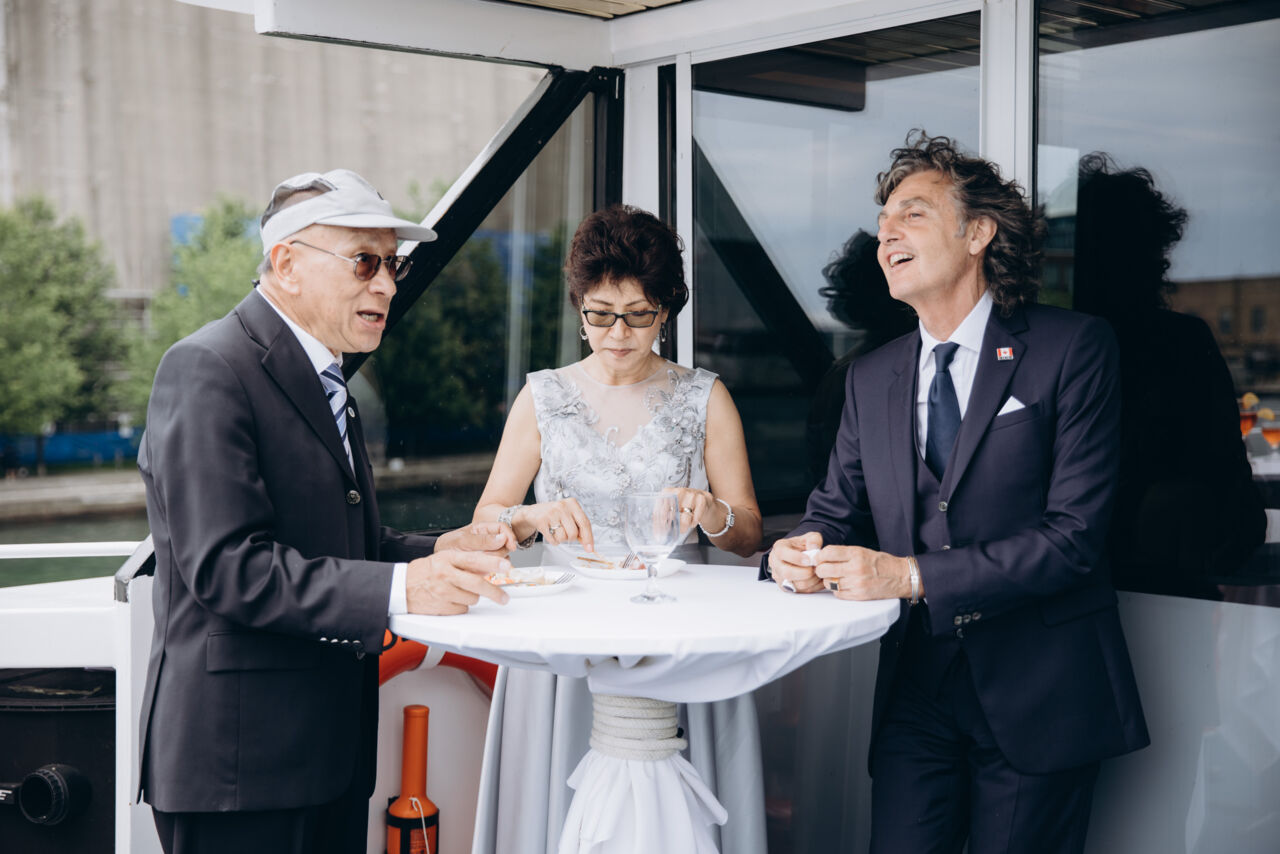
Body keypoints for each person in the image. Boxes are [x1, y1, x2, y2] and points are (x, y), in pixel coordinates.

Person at [766, 132, 1149, 853]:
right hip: (916, 689)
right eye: (883, 221)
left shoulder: (1073, 347)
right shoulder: (870, 377)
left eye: (912, 214)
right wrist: (794, 551)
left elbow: (1074, 538)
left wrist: (910, 576)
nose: (887, 234)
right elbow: (833, 511)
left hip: (1042, 689)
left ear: (978, 234)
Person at [136, 168, 516, 854]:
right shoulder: (206, 368)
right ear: (287, 264)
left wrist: (443, 550)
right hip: (239, 770)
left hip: (326, 760)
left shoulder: (324, 377)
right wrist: (405, 587)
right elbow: (228, 568)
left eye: (394, 264)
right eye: (365, 261)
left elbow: (340, 541)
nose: (387, 285)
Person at [470, 203, 766, 853]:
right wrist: (530, 518)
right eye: (601, 314)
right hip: (565, 632)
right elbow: (486, 518)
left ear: (666, 311)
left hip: (675, 628)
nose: (618, 333)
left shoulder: (705, 397)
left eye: (639, 314)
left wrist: (710, 512)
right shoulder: (542, 396)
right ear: (580, 309)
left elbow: (747, 533)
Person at [1072, 153, 1265, 599]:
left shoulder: (1045, 345)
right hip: (1159, 588)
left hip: (1137, 589)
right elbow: (1238, 510)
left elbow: (1236, 508)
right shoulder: (1181, 343)